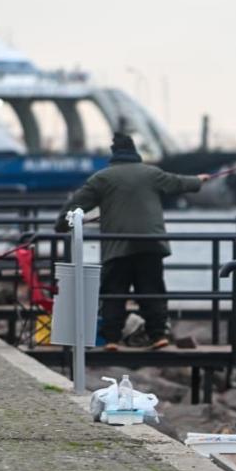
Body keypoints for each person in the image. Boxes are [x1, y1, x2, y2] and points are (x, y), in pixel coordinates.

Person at [55, 132, 208, 350]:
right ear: (135, 152)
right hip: (151, 244)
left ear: (114, 154)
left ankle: (111, 339)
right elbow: (178, 183)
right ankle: (158, 336)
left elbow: (75, 206)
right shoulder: (151, 173)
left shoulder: (102, 178)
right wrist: (198, 181)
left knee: (114, 291)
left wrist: (62, 225)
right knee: (152, 289)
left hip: (118, 246)